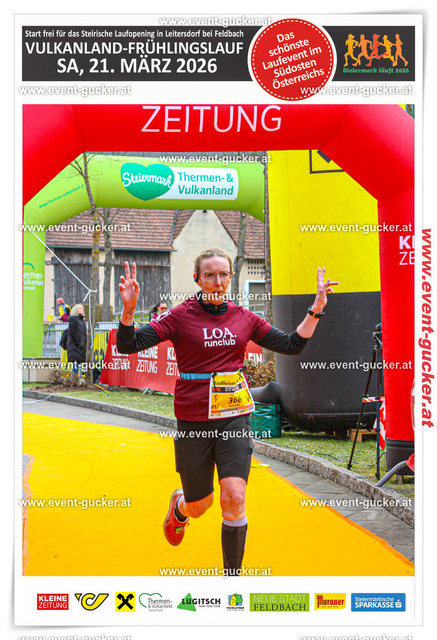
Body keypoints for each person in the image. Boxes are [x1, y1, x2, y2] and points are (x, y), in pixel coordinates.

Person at [116, 248, 338, 576]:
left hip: (233, 417)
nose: (217, 281)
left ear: (231, 277)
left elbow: (292, 344)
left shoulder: (243, 317)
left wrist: (316, 309)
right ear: (197, 279)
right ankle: (180, 507)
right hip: (194, 421)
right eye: (210, 275)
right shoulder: (180, 316)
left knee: (234, 496)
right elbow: (127, 345)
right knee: (200, 505)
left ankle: (232, 583)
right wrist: (129, 310)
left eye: (223, 274)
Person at [66, 303, 87, 381]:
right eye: (79, 308)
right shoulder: (74, 320)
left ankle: (77, 379)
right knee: (76, 364)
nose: (82, 309)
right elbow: (72, 333)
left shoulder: (81, 321)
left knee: (79, 363)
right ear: (75, 310)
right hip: (75, 346)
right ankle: (74, 380)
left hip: (80, 346)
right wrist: (77, 343)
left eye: (82, 308)